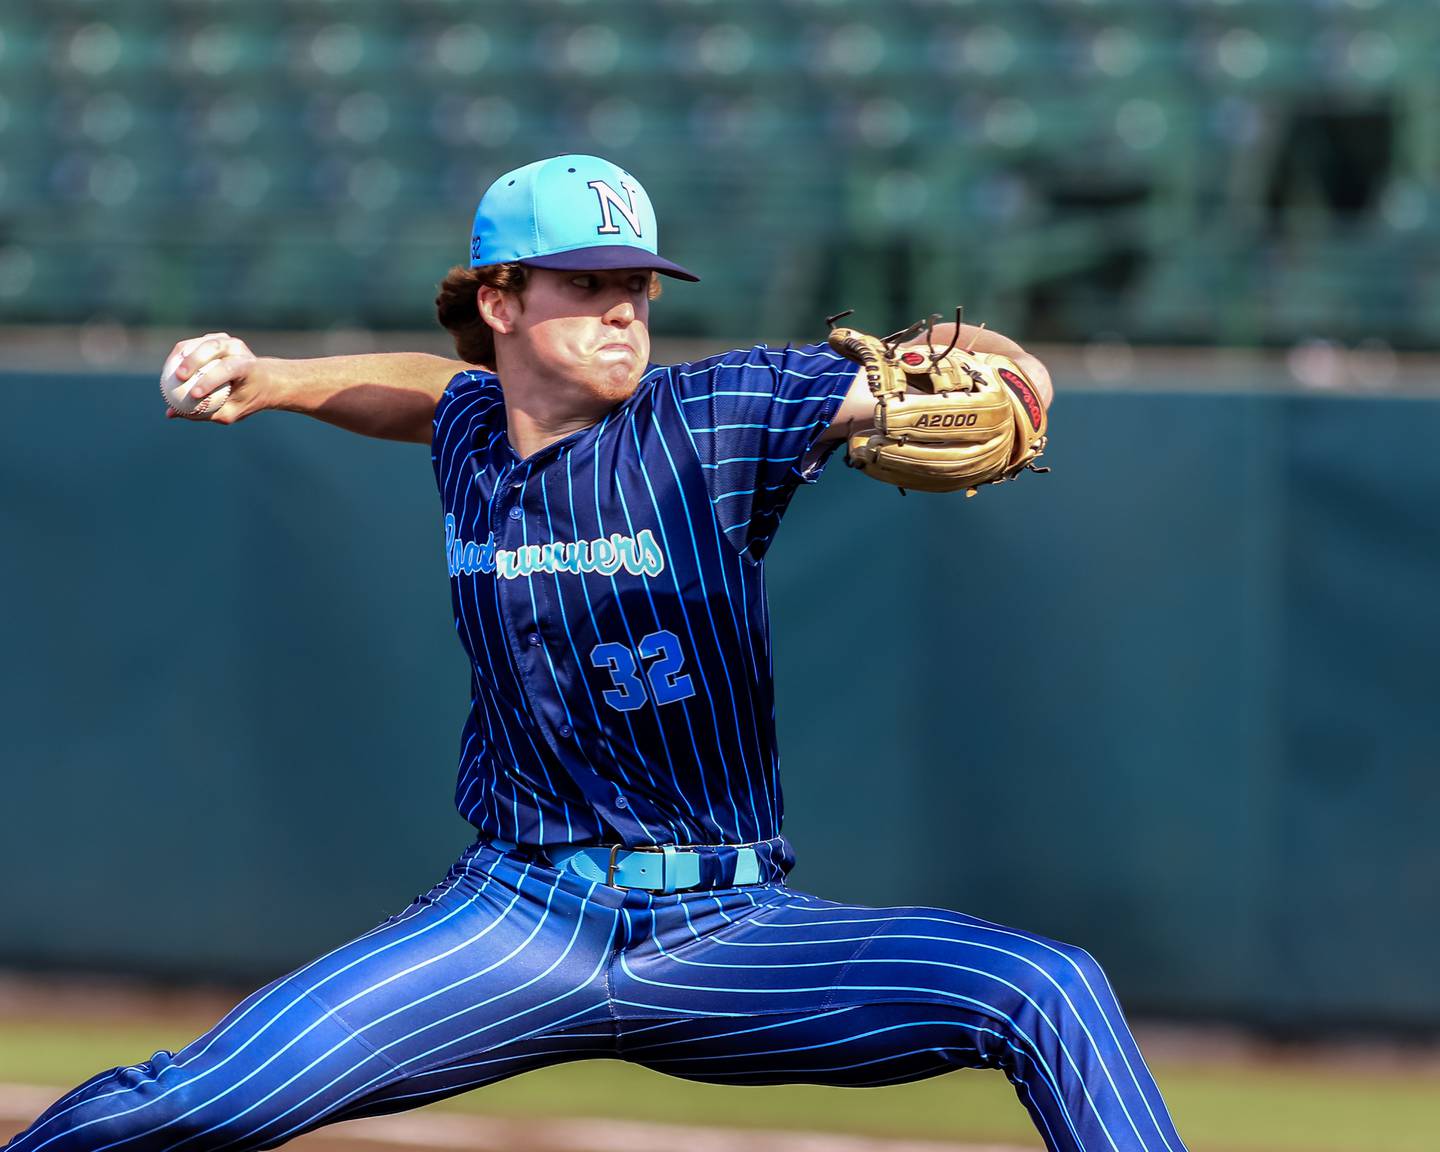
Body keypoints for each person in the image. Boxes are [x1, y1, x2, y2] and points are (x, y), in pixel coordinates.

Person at [4, 155, 1186, 1152]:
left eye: (638, 284)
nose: (625, 307)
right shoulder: (473, 430)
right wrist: (274, 380)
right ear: (505, 301)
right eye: (589, 283)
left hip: (730, 934)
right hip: (515, 922)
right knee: (190, 1101)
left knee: (1051, 990)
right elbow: (430, 388)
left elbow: (925, 394)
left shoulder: (720, 415)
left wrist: (1008, 384)